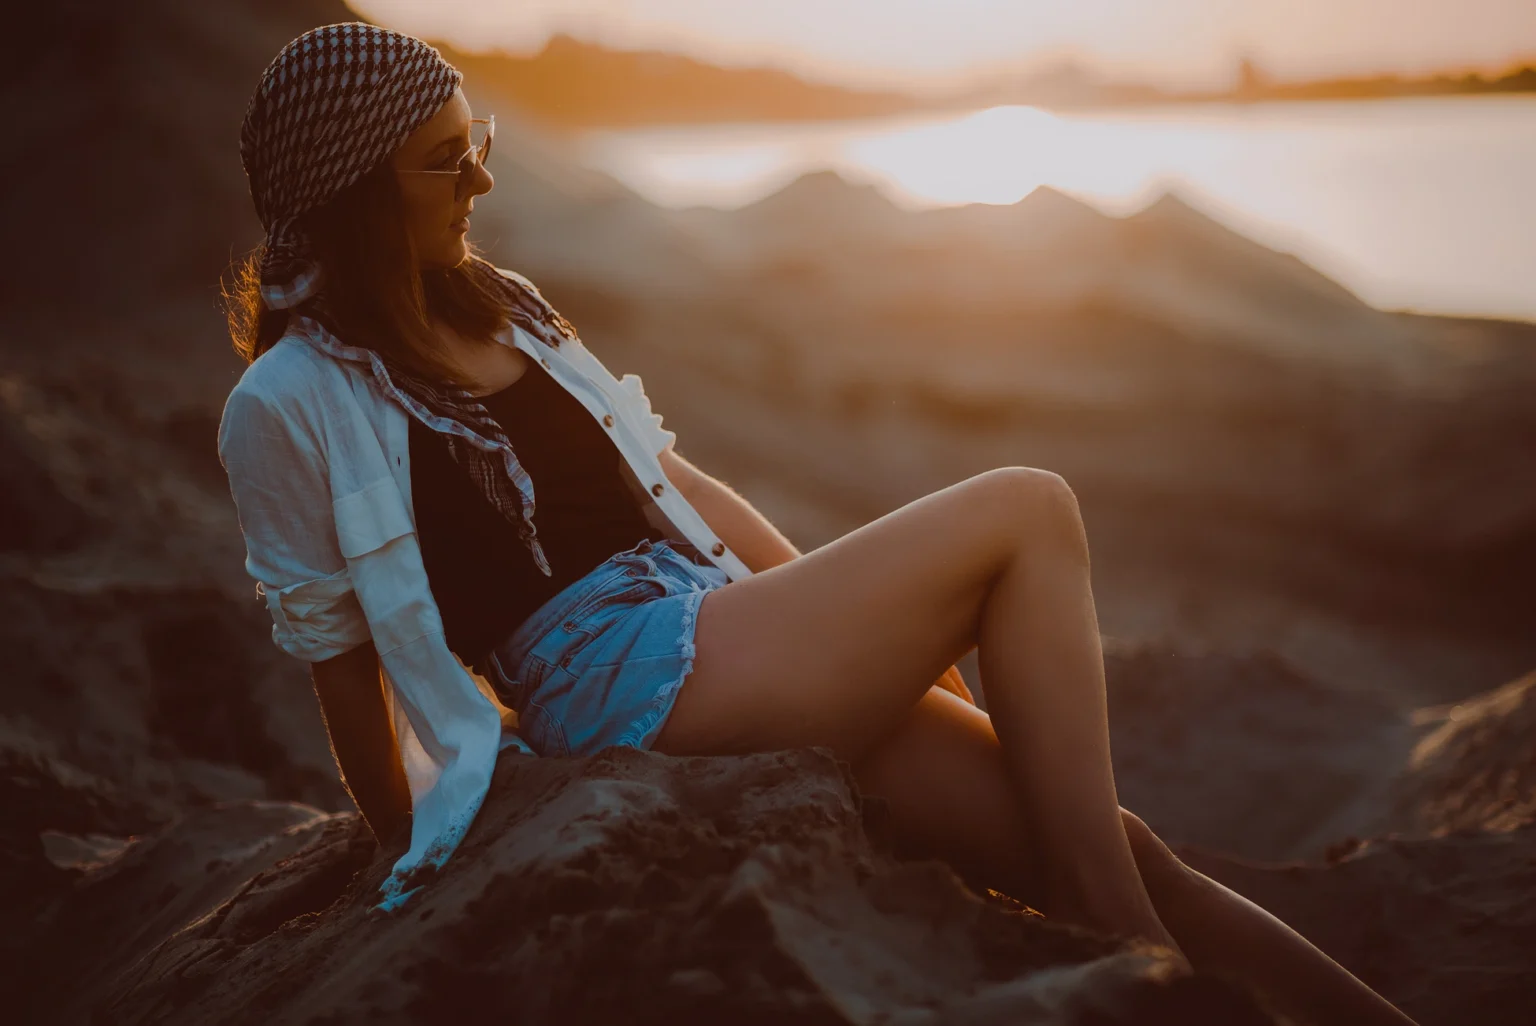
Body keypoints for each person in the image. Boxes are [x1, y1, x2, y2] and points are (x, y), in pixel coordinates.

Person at [220, 23, 1418, 1025]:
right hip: (608, 679)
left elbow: (672, 485)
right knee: (1029, 507)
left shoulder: (502, 304)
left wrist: (881, 653)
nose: (482, 179)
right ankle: (1118, 931)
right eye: (446, 162)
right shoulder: (287, 403)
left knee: (1108, 831)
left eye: (477, 143)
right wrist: (399, 850)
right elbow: (336, 652)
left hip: (716, 630)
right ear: (360, 186)